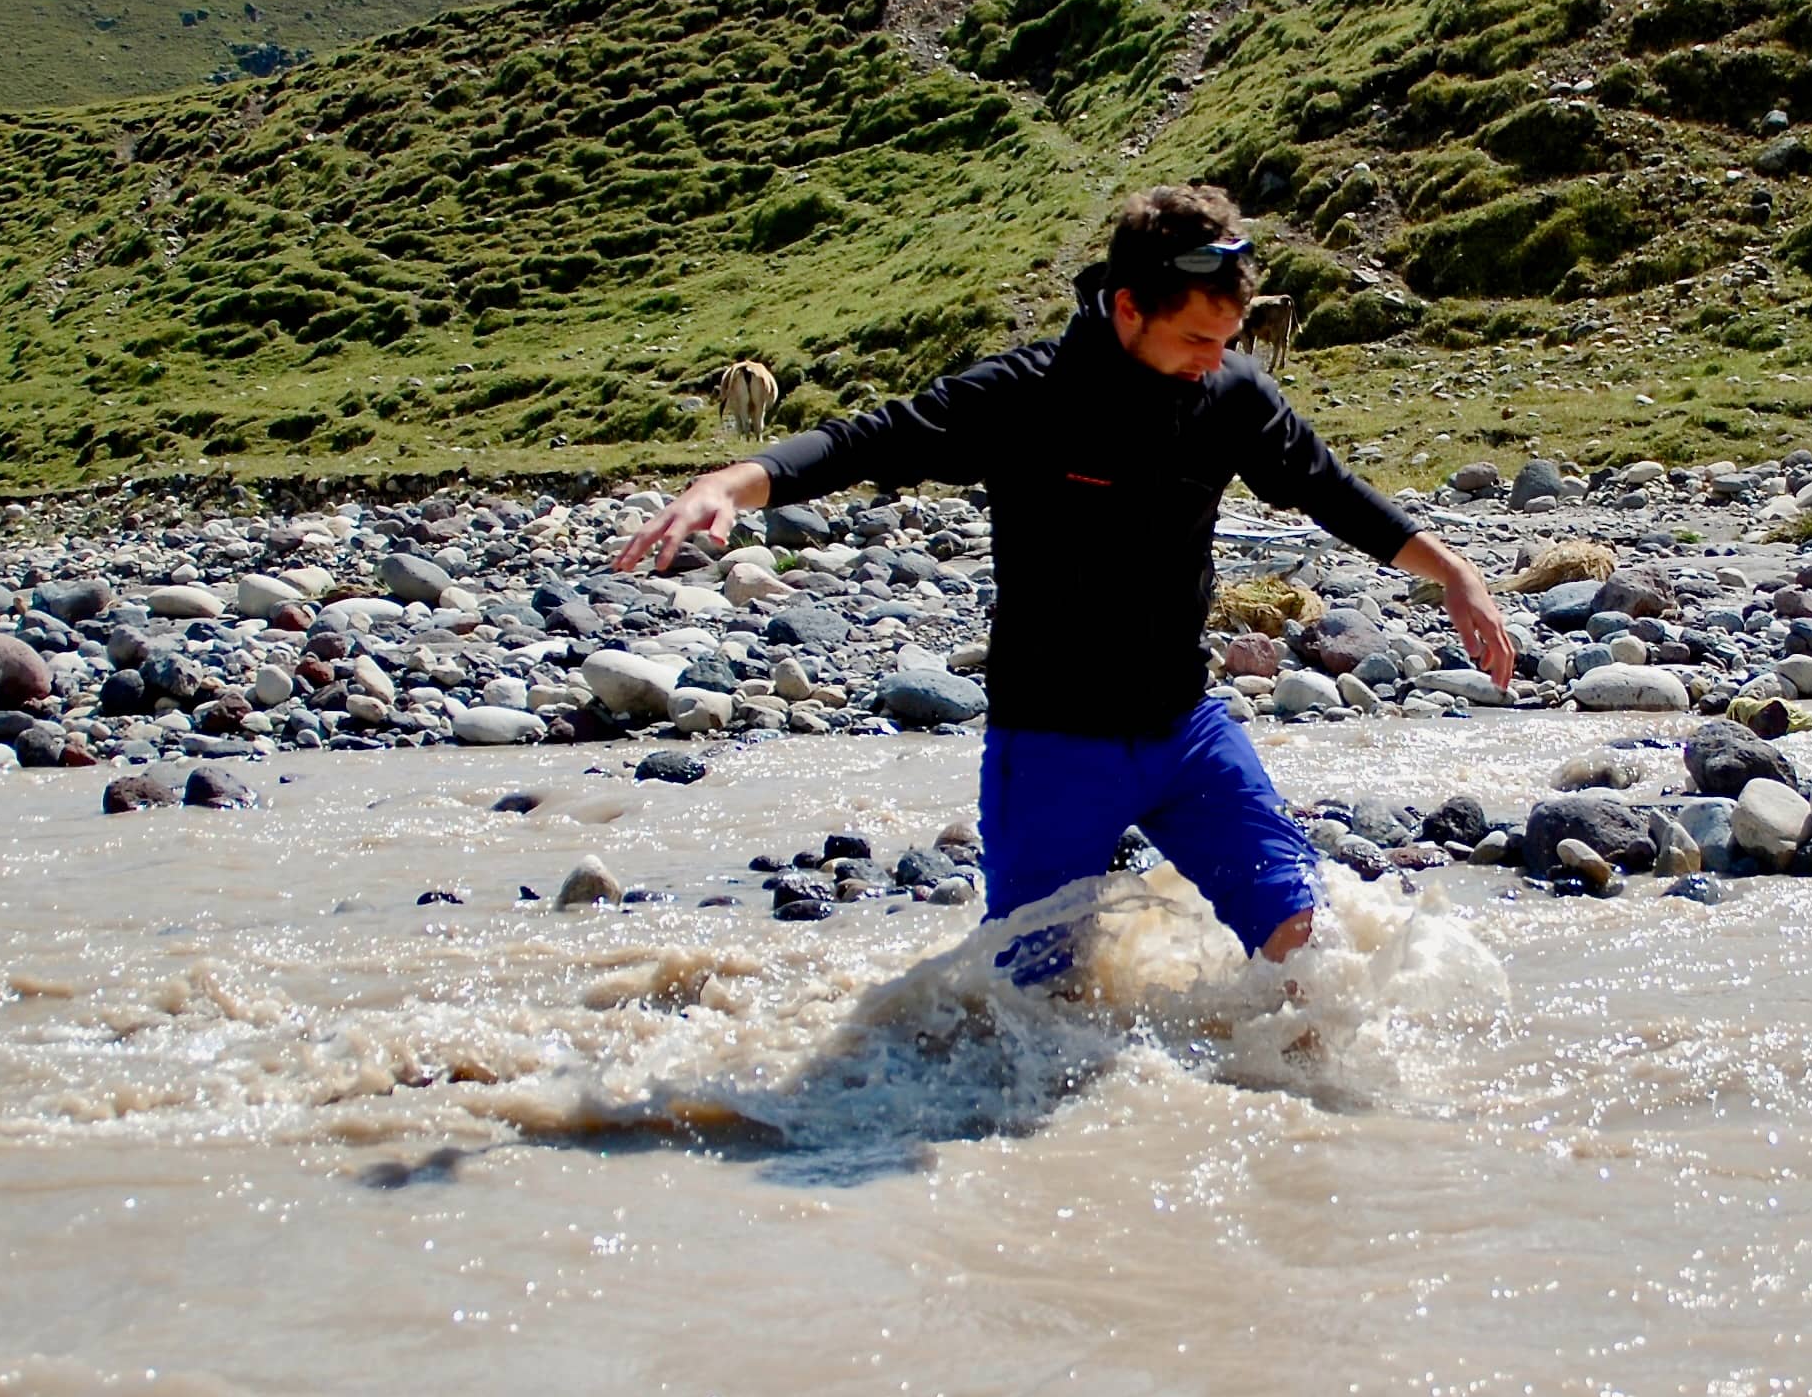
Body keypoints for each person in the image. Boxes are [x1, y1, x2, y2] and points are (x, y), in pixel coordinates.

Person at [614, 183, 1516, 976]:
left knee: (1301, 940)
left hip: (1184, 730)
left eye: (1228, 337)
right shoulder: (1027, 394)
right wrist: (733, 481)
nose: (1217, 357)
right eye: (1198, 337)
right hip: (1050, 744)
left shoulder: (1232, 393)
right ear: (1129, 309)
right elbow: (869, 439)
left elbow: (1330, 490)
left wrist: (1455, 574)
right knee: (1035, 1003)